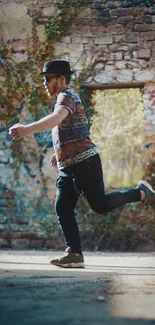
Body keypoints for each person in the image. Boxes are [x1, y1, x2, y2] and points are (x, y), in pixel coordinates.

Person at [9, 59, 155, 268]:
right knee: (63, 207)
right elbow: (67, 129)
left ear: (61, 79)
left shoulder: (66, 97)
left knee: (100, 205)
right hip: (69, 166)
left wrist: (27, 129)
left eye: (48, 79)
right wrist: (59, 154)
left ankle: (140, 193)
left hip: (85, 163)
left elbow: (55, 119)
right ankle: (74, 254)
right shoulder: (63, 99)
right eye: (44, 79)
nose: (44, 83)